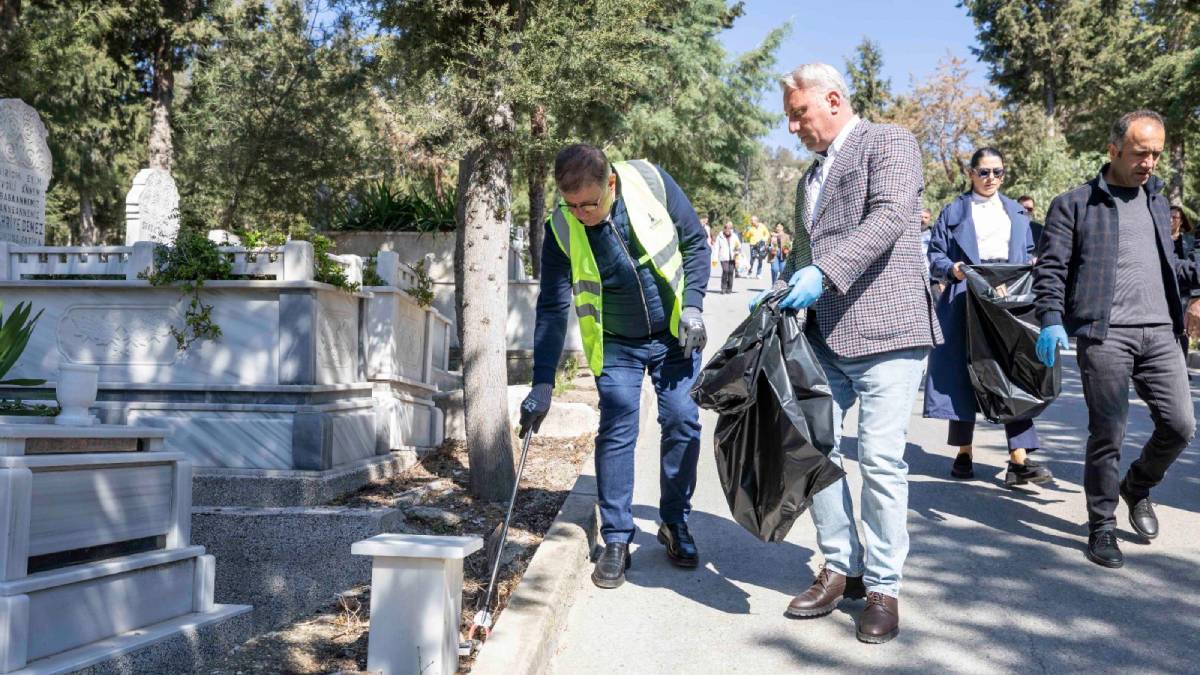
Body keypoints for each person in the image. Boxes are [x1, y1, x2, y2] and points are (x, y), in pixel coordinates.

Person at [752, 62, 940, 644]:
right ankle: (842, 567)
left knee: (881, 462)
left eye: (798, 113)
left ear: (832, 99)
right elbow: (806, 250)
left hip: (890, 334)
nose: (793, 126)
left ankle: (884, 587)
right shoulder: (810, 179)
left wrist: (822, 273)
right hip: (826, 338)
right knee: (813, 451)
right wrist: (785, 284)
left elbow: (888, 219)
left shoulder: (889, 142)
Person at [519, 144, 711, 588]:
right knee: (619, 428)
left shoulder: (650, 181)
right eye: (573, 205)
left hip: (675, 333)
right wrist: (542, 383)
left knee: (683, 420)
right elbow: (551, 307)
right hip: (617, 343)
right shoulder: (561, 227)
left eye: (591, 203)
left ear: (611, 183)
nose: (583, 213)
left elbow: (695, 243)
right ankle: (617, 538)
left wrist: (695, 307)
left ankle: (675, 522)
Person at [1034, 110, 1199, 569]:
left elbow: (1171, 267)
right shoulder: (1075, 204)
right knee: (1108, 431)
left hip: (1162, 332)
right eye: (1141, 152)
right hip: (1105, 336)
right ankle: (1101, 523)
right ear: (1114, 150)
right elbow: (1052, 270)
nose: (1150, 163)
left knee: (1181, 425)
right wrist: (1050, 318)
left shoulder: (1159, 203)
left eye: (1157, 154)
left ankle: (1137, 487)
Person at [925, 148, 1053, 488]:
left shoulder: (1015, 211)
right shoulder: (954, 210)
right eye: (984, 172)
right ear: (971, 173)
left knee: (1014, 371)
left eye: (997, 172)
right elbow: (935, 253)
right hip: (967, 296)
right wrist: (951, 269)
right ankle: (964, 452)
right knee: (967, 371)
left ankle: (1019, 459)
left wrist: (1032, 268)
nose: (991, 179)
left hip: (1006, 300)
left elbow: (1026, 252)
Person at [1170, 205, 1196, 354]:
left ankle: (1181, 364)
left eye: (1175, 218)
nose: (1171, 220)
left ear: (1181, 222)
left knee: (1182, 328)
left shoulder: (1189, 241)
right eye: (1169, 217)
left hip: (1184, 291)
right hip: (1163, 289)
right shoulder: (1159, 239)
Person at [714, 221, 740, 294]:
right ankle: (723, 288)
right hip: (723, 257)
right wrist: (715, 259)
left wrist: (737, 250)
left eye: (729, 229)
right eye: (727, 229)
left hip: (732, 257)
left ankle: (729, 288)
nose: (728, 231)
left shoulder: (734, 236)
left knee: (731, 272)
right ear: (724, 229)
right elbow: (716, 248)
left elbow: (738, 245)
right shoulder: (720, 237)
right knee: (725, 271)